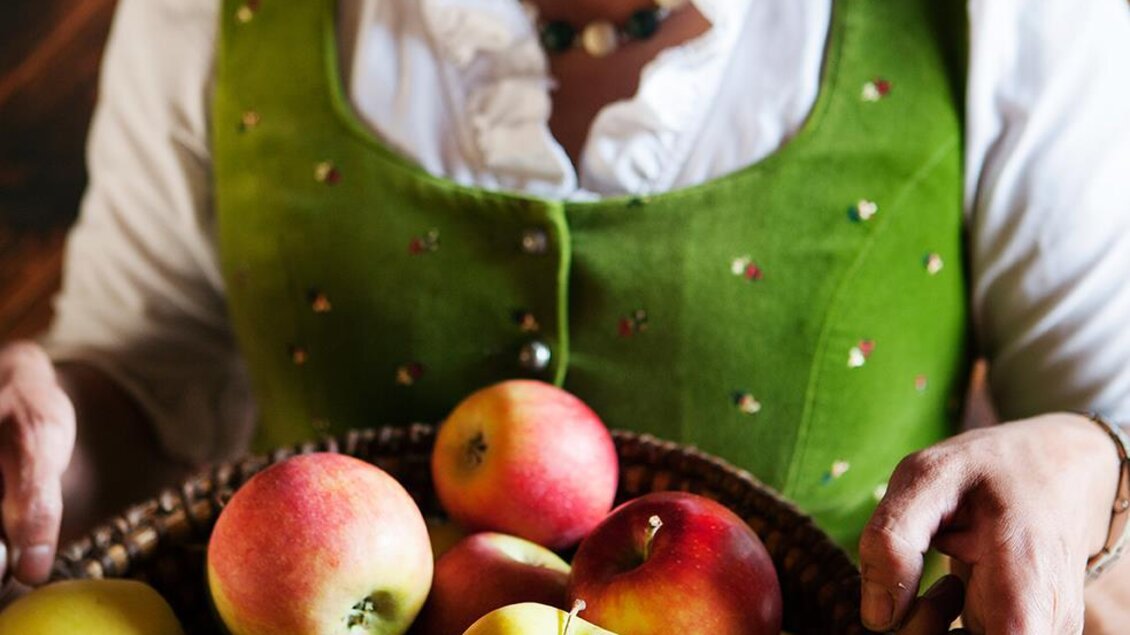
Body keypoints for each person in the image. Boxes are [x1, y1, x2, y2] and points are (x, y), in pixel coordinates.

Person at [2, 0, 1129, 631]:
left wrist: (1090, 463)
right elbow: (143, 387)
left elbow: (1104, 441)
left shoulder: (1012, 20)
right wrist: (43, 442)